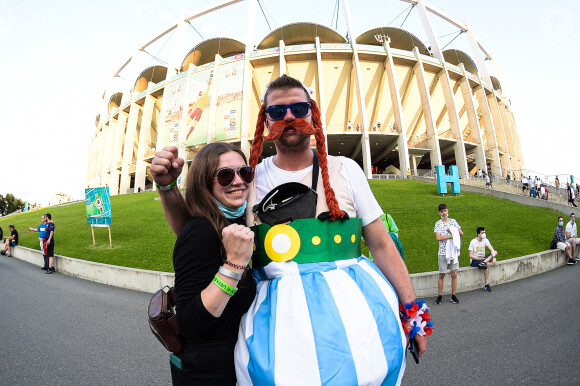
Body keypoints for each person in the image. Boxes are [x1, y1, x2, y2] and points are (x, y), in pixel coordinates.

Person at [151, 75, 429, 385]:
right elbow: (199, 228)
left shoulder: (346, 169)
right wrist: (167, 188)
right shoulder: (249, 178)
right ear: (265, 119)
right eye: (277, 111)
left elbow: (381, 244)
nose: (289, 117)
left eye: (299, 107)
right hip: (279, 336)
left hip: (357, 323)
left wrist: (412, 311)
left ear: (313, 113)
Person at [153, 142, 256, 384]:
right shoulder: (200, 232)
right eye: (225, 175)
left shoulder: (235, 220)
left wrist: (167, 188)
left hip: (236, 362)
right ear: (204, 183)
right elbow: (189, 323)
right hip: (208, 372)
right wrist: (234, 265)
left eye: (245, 172)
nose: (239, 181)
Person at [434, 203, 463, 304]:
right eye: (441, 211)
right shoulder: (438, 223)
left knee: (454, 273)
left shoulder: (453, 221)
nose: (444, 213)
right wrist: (450, 236)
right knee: (442, 274)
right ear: (439, 213)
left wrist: (453, 231)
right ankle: (440, 295)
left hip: (453, 251)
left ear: (447, 210)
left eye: (445, 210)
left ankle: (453, 295)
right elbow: (438, 238)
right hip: (443, 251)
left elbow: (461, 233)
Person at [468, 227, 498, 292]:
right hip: (475, 260)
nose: (484, 234)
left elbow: (492, 249)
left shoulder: (485, 240)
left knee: (495, 252)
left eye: (484, 232)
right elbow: (470, 255)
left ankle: (484, 262)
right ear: (478, 234)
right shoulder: (473, 242)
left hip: (483, 259)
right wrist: (479, 258)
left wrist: (494, 258)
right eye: (482, 233)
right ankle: (487, 284)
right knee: (487, 263)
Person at [186, 75, 213, 140]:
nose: (204, 91)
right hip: (199, 111)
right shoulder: (205, 96)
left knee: (189, 122)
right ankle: (187, 135)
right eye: (202, 91)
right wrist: (209, 84)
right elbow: (208, 89)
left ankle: (185, 134)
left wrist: (191, 109)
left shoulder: (201, 98)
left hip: (197, 110)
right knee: (193, 124)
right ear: (202, 93)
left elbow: (195, 105)